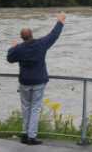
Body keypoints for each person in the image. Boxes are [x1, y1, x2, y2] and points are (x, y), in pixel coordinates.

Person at [7, 11, 67, 145]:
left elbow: (9, 58)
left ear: (22, 37)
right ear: (32, 35)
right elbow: (54, 35)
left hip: (25, 82)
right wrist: (60, 21)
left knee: (25, 107)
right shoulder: (41, 44)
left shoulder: (19, 49)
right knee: (35, 108)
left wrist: (12, 48)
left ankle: (24, 134)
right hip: (38, 81)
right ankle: (31, 136)